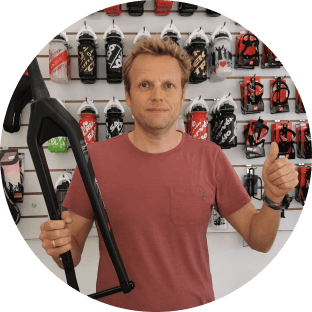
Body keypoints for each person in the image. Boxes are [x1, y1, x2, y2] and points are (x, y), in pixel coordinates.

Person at [39, 36, 299, 311]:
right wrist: (59, 244)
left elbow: (259, 240)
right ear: (127, 94)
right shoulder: (95, 160)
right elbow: (72, 252)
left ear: (182, 92)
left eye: (168, 85)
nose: (157, 95)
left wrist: (272, 198)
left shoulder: (210, 157)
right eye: (144, 84)